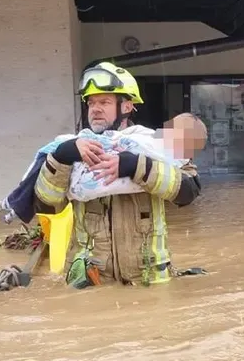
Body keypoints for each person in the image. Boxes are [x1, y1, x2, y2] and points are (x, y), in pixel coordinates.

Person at [32, 61, 205, 287]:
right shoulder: (71, 150)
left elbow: (188, 192)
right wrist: (62, 158)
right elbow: (46, 205)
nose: (95, 109)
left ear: (126, 106)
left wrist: (136, 167)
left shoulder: (153, 146)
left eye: (104, 102)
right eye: (91, 102)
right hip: (91, 283)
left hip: (147, 283)